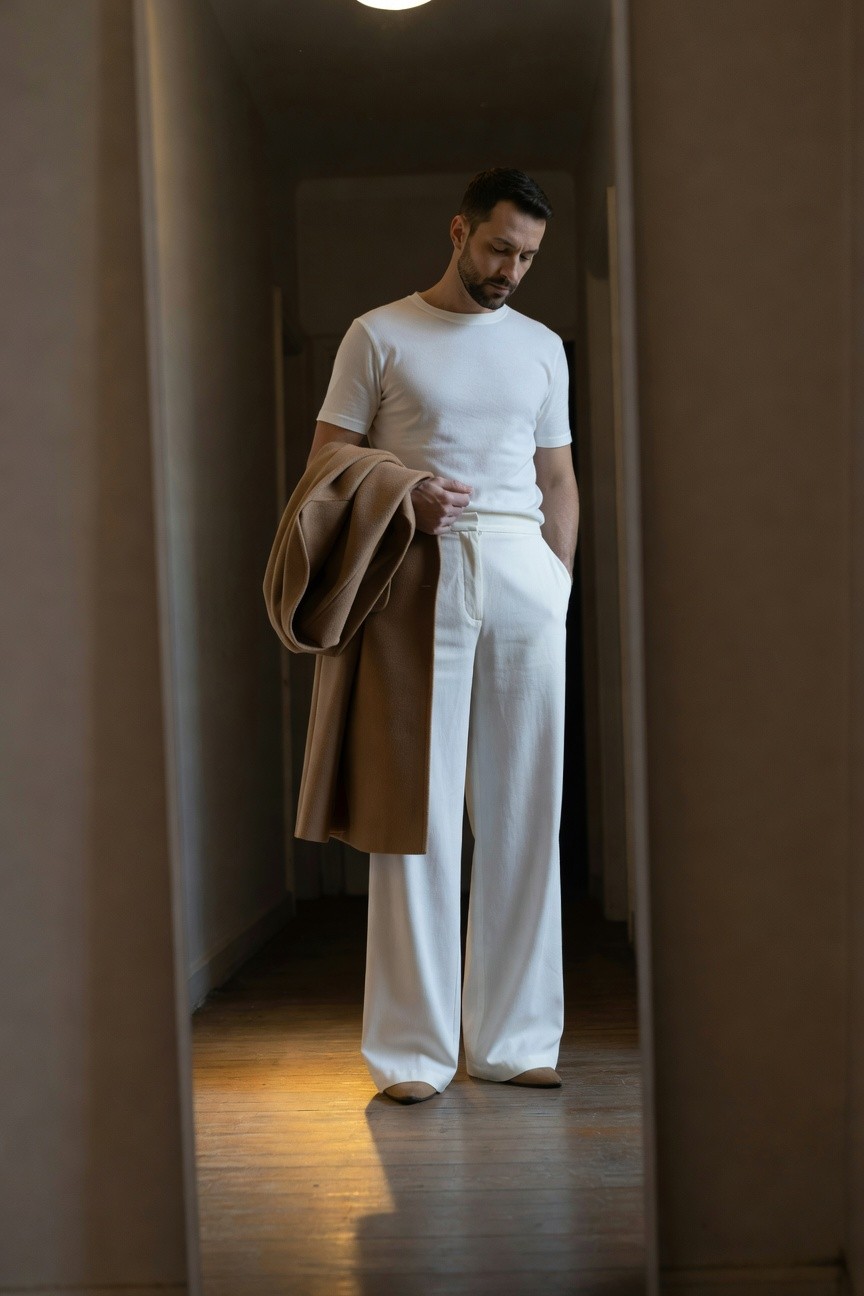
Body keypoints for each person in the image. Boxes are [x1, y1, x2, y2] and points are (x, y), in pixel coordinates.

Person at [306, 168, 580, 1104]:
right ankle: (412, 1055)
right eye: (500, 248)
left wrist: (558, 582)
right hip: (415, 575)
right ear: (459, 231)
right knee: (413, 815)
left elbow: (558, 476)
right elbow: (324, 463)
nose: (512, 270)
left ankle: (514, 1039)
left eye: (528, 257)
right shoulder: (377, 333)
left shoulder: (541, 347)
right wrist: (402, 490)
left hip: (524, 578)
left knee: (524, 814)